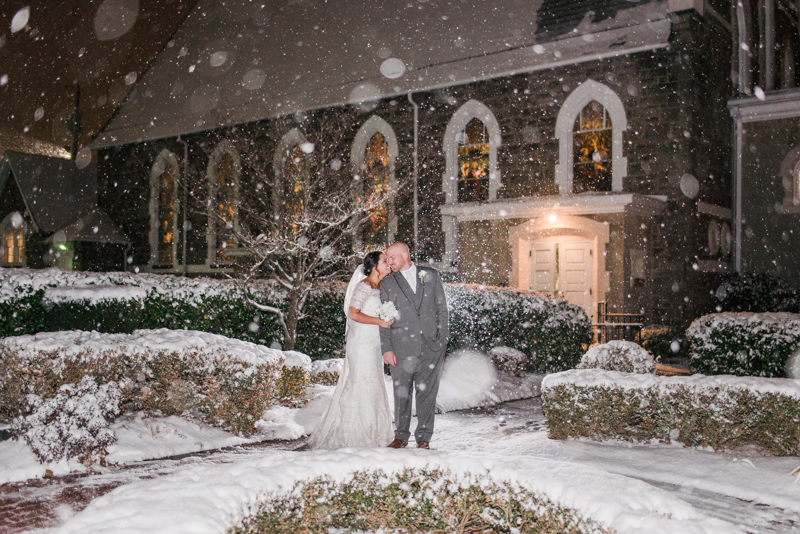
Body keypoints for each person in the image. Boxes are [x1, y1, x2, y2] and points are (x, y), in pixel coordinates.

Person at [307, 251, 395, 449]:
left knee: (374, 384)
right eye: (384, 260)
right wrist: (379, 321)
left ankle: (374, 432)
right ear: (374, 266)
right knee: (360, 384)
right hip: (361, 343)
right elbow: (353, 314)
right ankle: (351, 433)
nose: (388, 263)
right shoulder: (363, 286)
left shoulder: (380, 287)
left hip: (374, 344)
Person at [380, 242, 449, 450]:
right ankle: (401, 436)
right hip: (401, 348)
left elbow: (441, 310)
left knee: (427, 394)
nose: (389, 262)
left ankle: (424, 438)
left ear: (405, 254)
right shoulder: (387, 283)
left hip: (431, 348)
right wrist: (387, 348)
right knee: (402, 392)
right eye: (387, 259)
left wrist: (442, 339)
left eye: (392, 257)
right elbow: (384, 317)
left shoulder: (431, 275)